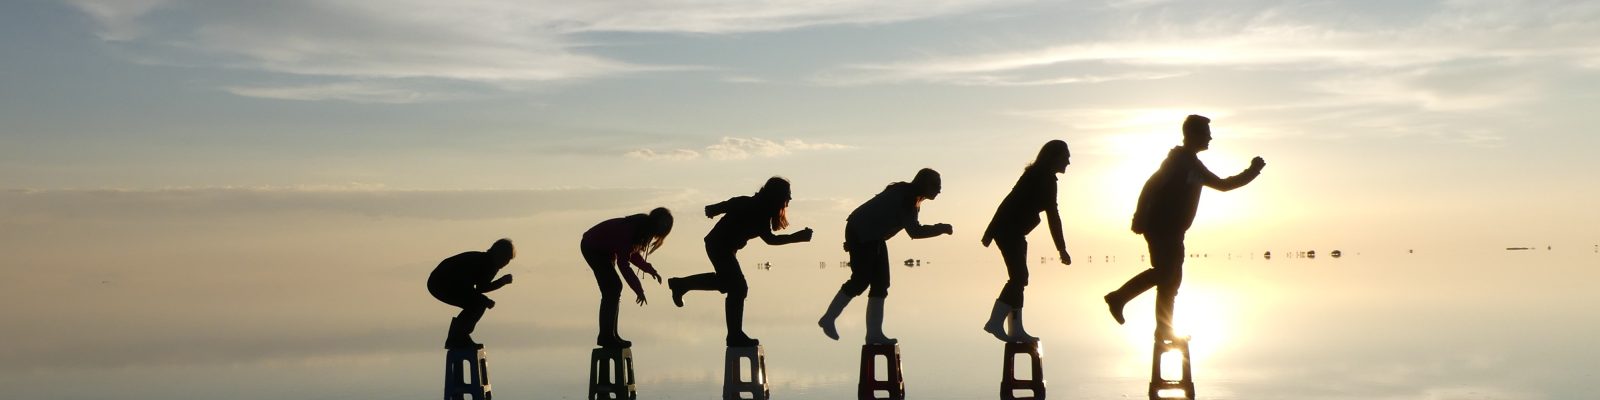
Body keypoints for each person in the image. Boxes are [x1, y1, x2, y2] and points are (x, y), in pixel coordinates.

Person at [1105, 114, 1266, 339]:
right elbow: (1150, 186)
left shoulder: (1193, 164)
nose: (1210, 138)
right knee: (1165, 273)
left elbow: (1223, 185)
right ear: (1193, 134)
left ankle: (1163, 329)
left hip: (1175, 231)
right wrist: (1139, 216)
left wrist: (1253, 171)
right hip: (1161, 227)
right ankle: (1119, 298)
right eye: (1206, 133)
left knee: (1171, 281)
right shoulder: (1178, 162)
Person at [669, 177, 814, 346]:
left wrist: (715, 209)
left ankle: (681, 285)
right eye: (787, 194)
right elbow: (769, 239)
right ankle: (734, 335)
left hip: (722, 247)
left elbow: (733, 204)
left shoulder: (758, 208)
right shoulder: (757, 208)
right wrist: (797, 237)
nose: (790, 198)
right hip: (719, 246)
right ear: (777, 196)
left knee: (727, 284)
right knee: (738, 288)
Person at [817, 168, 953, 344]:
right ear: (924, 184)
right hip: (863, 231)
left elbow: (889, 224)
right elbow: (915, 232)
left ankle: (873, 334)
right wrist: (940, 228)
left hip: (868, 234)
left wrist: (853, 242)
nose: (939, 190)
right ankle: (829, 318)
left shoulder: (910, 197)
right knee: (860, 280)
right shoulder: (907, 197)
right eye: (936, 185)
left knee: (881, 283)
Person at [981, 140, 1072, 344]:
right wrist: (1062, 248)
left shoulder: (1043, 177)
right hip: (1008, 231)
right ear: (1054, 157)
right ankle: (995, 322)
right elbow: (1014, 202)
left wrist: (990, 231)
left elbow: (1012, 201)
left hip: (1016, 232)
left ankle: (1016, 329)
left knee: (1020, 278)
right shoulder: (1040, 177)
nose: (1068, 161)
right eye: (1066, 157)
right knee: (1019, 277)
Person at [581, 208, 674, 348]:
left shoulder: (641, 229)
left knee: (613, 289)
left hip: (603, 250)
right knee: (613, 288)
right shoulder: (632, 229)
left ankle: (611, 335)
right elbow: (623, 264)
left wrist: (649, 270)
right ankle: (606, 336)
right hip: (593, 248)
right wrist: (638, 290)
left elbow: (633, 255)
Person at [427, 239, 516, 349]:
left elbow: (477, 289)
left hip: (442, 282)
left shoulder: (487, 260)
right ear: (498, 254)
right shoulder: (488, 263)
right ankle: (458, 338)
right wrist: (502, 282)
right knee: (479, 303)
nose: (506, 263)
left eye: (508, 260)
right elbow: (481, 288)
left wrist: (486, 297)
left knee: (478, 303)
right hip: (441, 282)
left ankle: (458, 337)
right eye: (505, 258)